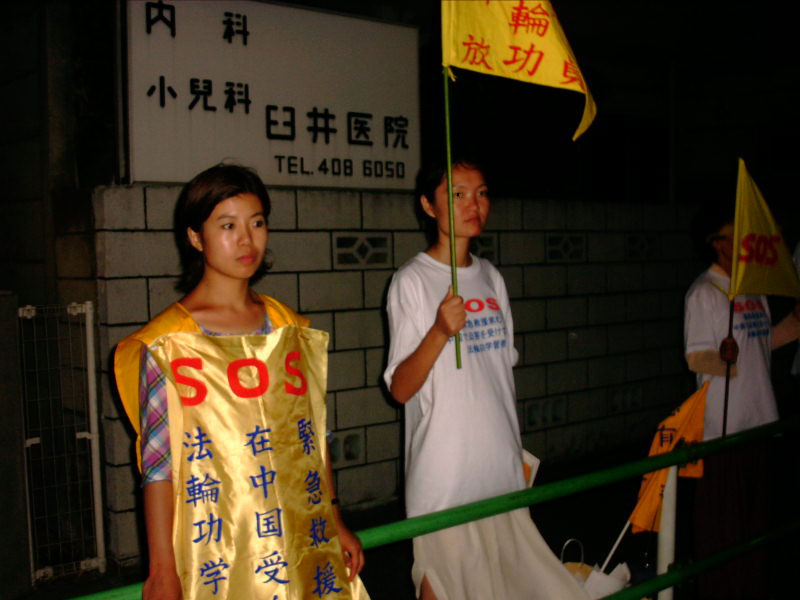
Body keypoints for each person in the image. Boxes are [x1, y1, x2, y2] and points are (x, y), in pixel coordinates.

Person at [114, 164, 366, 600]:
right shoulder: (169, 343)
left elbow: (313, 434)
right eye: (228, 226)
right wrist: (161, 569)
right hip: (218, 545)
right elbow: (158, 464)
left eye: (257, 223)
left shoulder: (288, 327)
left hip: (297, 534)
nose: (247, 240)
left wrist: (334, 517)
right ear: (196, 237)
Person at [383, 159, 588, 600]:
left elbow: (498, 376)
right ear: (429, 206)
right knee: (445, 586)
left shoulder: (491, 277)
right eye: (457, 194)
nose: (473, 205)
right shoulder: (411, 281)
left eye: (481, 193)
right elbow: (400, 389)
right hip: (445, 477)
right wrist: (439, 332)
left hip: (500, 469)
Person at [684, 202, 800, 599]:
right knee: (723, 526)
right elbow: (695, 358)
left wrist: (795, 323)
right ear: (718, 244)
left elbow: (762, 344)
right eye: (736, 238)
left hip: (760, 421)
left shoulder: (752, 289)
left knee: (753, 524)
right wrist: (722, 357)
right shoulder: (704, 292)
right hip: (724, 429)